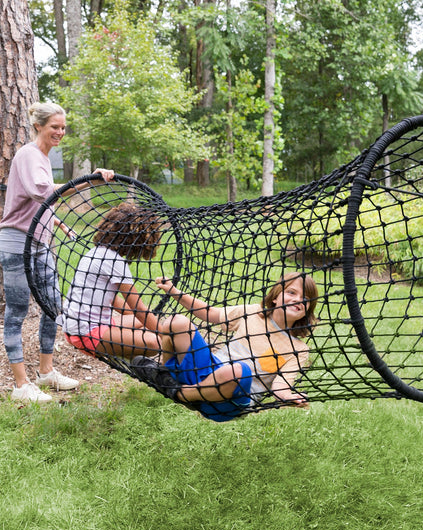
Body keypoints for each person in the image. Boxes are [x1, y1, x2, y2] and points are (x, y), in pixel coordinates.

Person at [0, 101, 114, 403]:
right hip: (16, 245)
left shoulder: (42, 157)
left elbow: (39, 203)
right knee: (16, 314)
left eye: (63, 127)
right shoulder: (28, 155)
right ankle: (21, 385)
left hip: (40, 245)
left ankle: (46, 372)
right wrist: (88, 180)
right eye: (54, 127)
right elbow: (42, 190)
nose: (60, 132)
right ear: (38, 126)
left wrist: (60, 225)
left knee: (53, 307)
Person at [131, 272, 319, 422]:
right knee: (176, 322)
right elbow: (209, 313)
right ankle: (168, 376)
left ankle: (180, 393)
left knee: (239, 371)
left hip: (229, 401)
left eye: (305, 298)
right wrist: (173, 291)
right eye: (292, 292)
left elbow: (280, 385)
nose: (298, 300)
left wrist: (287, 396)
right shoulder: (252, 313)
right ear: (276, 297)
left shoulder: (298, 349)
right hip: (206, 372)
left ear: (307, 310)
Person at [61, 202, 165, 361]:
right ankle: (136, 360)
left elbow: (116, 300)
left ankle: (133, 357)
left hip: (74, 326)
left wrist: (144, 325)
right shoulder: (115, 262)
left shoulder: (97, 252)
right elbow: (138, 308)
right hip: (86, 332)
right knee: (155, 342)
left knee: (141, 324)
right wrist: (167, 336)